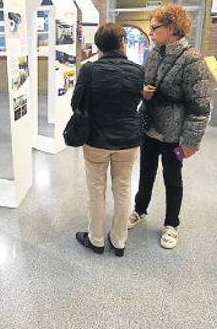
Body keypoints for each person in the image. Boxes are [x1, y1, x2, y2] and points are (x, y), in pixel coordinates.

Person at [127, 4, 210, 250]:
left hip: (175, 132)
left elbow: (200, 105)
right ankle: (140, 210)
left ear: (172, 29)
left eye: (155, 28)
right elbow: (146, 83)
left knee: (173, 178)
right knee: (146, 172)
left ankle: (171, 223)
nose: (151, 32)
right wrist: (143, 92)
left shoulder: (192, 59)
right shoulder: (153, 54)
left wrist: (191, 141)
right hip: (150, 124)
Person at [74, 23, 145, 257]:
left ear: (98, 45)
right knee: (123, 190)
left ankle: (96, 240)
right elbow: (137, 102)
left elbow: (76, 103)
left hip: (95, 138)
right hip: (128, 140)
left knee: (96, 190)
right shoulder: (137, 70)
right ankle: (119, 241)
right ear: (123, 42)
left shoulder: (88, 70)